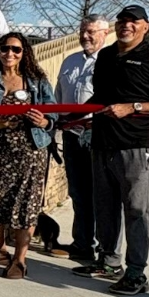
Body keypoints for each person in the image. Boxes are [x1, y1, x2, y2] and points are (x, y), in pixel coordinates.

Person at [72, 5, 149, 296]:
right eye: (122, 21)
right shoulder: (107, 56)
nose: (127, 26)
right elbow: (102, 96)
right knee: (104, 206)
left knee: (136, 208)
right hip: (103, 141)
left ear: (146, 26)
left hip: (137, 144)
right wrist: (75, 116)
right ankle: (109, 262)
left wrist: (133, 107)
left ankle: (136, 273)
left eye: (133, 21)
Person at [0, 32, 56, 279]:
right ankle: (0, 251)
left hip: (30, 150)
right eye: (4, 49)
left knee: (26, 204)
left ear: (24, 53)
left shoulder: (37, 81)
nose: (10, 54)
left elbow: (54, 113)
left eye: (16, 49)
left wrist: (44, 121)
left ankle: (20, 259)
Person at [55, 15, 110, 262]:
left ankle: (103, 248)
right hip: (70, 132)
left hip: (95, 132)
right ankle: (82, 243)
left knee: (100, 192)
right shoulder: (70, 61)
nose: (85, 36)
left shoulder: (109, 63)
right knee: (78, 191)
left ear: (105, 33)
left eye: (91, 32)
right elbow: (58, 95)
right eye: (82, 31)